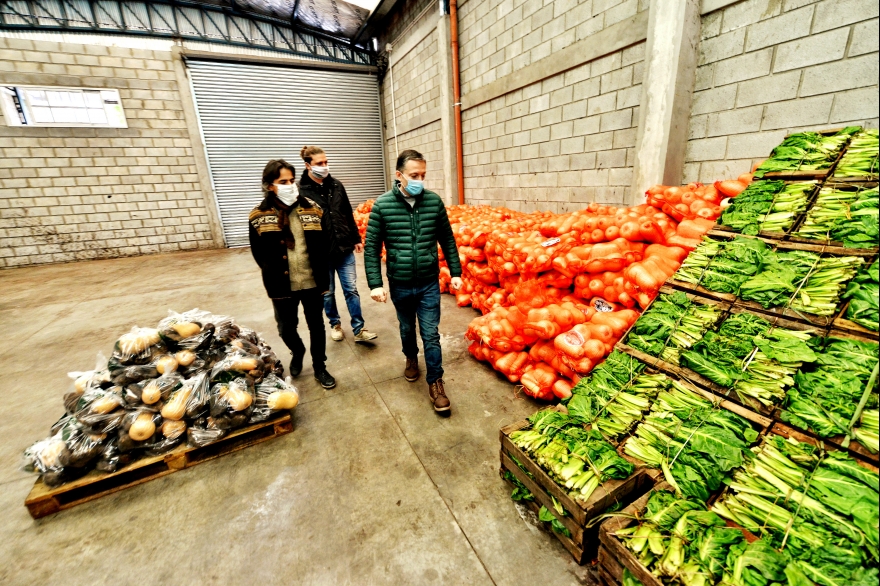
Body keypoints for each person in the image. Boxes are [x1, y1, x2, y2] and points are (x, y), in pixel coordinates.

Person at [364, 149, 463, 414]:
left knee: (431, 334)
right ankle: (410, 357)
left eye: (423, 175)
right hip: (400, 283)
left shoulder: (433, 202)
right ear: (399, 175)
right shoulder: (383, 206)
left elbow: (447, 239)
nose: (419, 179)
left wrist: (456, 272)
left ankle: (436, 383)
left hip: (429, 282)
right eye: (414, 175)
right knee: (407, 329)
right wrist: (375, 283)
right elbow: (372, 247)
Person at [248, 159, 336, 390]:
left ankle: (320, 366)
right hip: (281, 284)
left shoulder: (312, 210)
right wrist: (273, 272)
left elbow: (324, 245)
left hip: (312, 282)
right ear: (270, 186)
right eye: (282, 182)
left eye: (291, 180)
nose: (289, 185)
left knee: (317, 326)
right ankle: (297, 352)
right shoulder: (259, 215)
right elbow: (259, 254)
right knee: (285, 328)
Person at [298, 146, 378, 344]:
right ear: (308, 165)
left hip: (344, 248)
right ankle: (335, 324)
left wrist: (356, 238)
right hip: (320, 253)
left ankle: (359, 328)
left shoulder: (336, 185)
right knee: (328, 293)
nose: (324, 166)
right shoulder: (301, 191)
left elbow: (346, 213)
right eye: (319, 163)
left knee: (351, 289)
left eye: (326, 162)